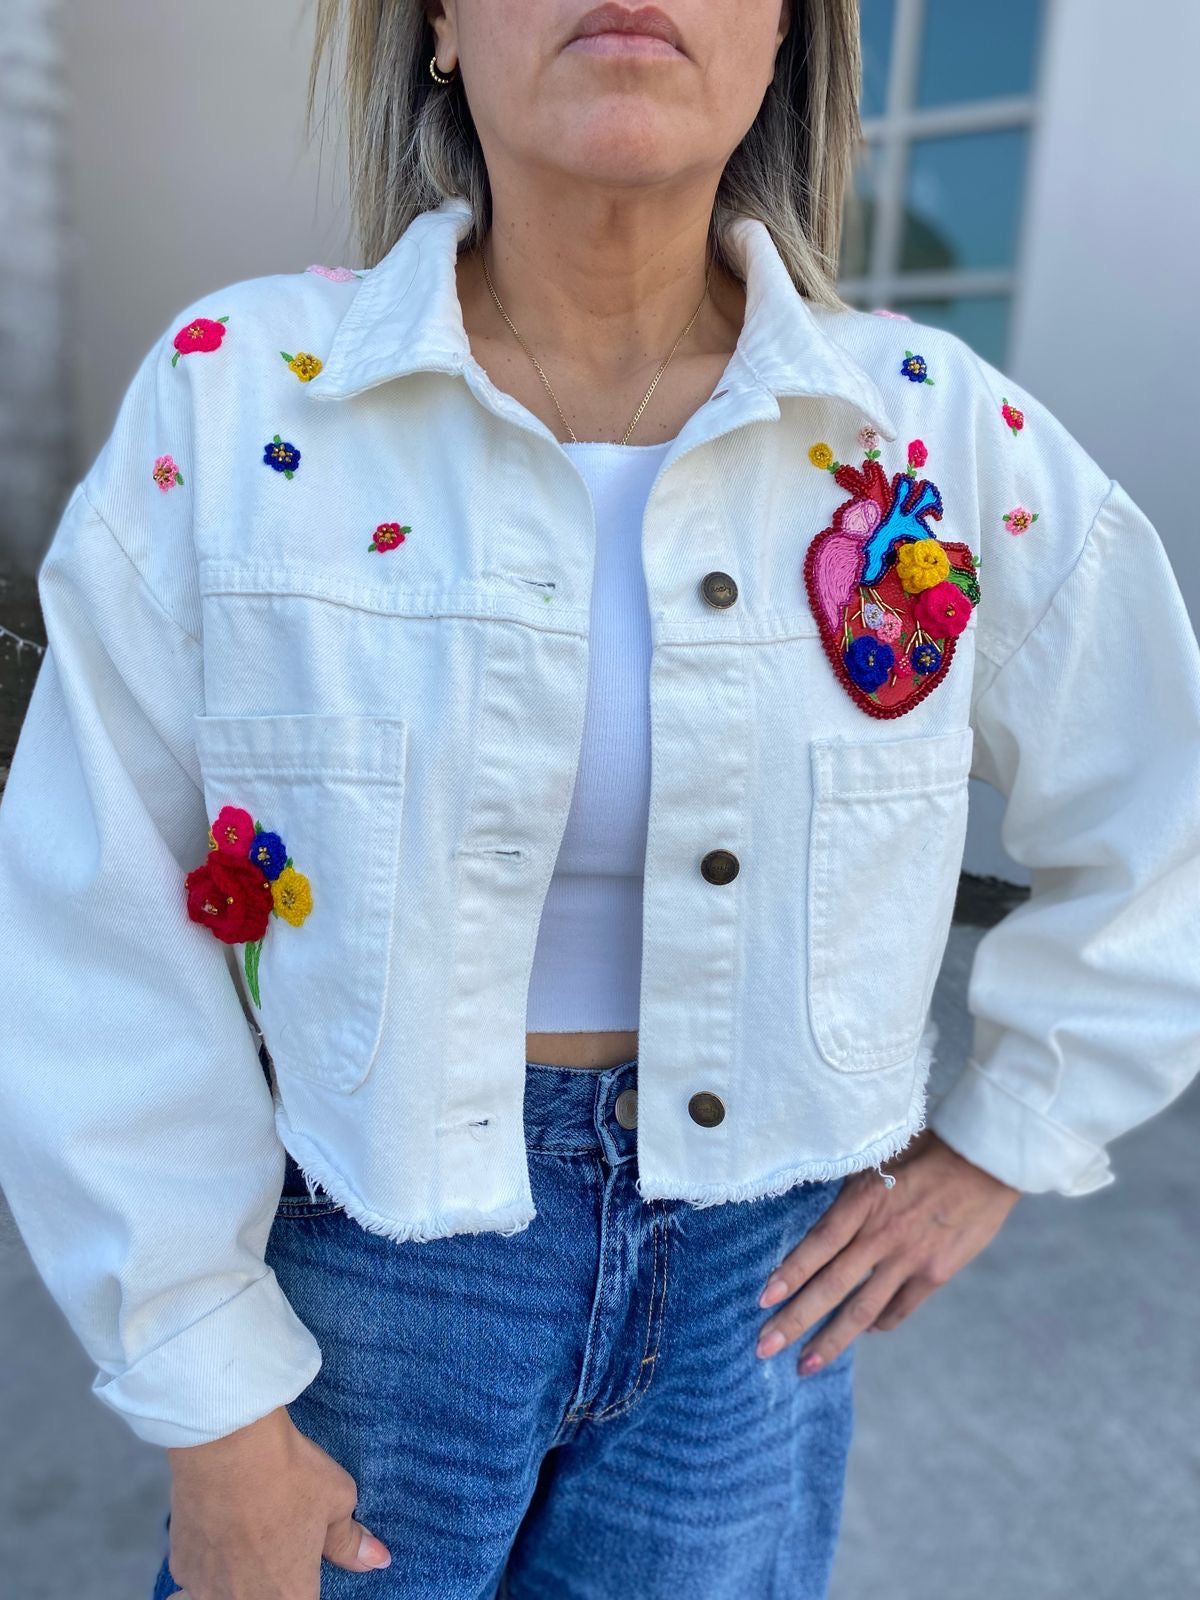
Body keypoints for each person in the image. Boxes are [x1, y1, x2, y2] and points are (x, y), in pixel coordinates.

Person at [0, 2, 1197, 1597]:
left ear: (783, 43)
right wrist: (208, 1403)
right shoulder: (240, 407)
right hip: (373, 1276)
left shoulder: (930, 436)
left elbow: (1162, 800)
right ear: (437, 28)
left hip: (757, 1298)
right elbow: (88, 917)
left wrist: (1004, 1140)